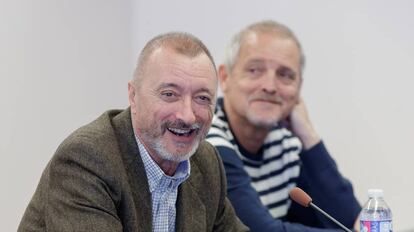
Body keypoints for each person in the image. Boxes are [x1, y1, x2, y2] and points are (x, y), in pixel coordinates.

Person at [18, 32, 248, 232]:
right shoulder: (86, 160)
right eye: (169, 94)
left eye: (202, 98)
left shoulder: (205, 161)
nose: (187, 115)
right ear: (133, 97)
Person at [206, 20, 361, 231]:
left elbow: (348, 221)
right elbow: (258, 229)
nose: (270, 86)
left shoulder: (285, 144)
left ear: (298, 89)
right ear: (224, 78)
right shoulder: (208, 138)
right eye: (254, 70)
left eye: (285, 75)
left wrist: (309, 137)